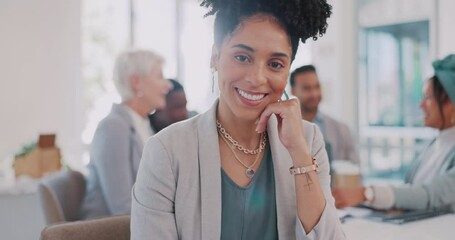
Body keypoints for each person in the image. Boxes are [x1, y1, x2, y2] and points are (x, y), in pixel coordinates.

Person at [131, 0, 345, 239]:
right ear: (215, 56)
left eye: (275, 64)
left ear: (288, 71)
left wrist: (299, 154)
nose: (256, 78)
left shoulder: (308, 141)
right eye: (242, 57)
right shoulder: (166, 151)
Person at [332, 54, 455, 212]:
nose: (421, 105)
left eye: (428, 98)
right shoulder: (435, 145)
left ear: (451, 103)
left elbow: (428, 195)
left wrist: (367, 193)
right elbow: (409, 190)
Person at [80, 49, 172, 219]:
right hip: (108, 233)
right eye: (159, 76)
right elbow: (122, 207)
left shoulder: (141, 124)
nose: (167, 84)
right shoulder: (112, 128)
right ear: (136, 82)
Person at [290, 65, 358, 164]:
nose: (314, 94)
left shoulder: (342, 130)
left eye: (317, 87)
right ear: (293, 91)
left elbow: (356, 172)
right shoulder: (286, 129)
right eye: (307, 88)